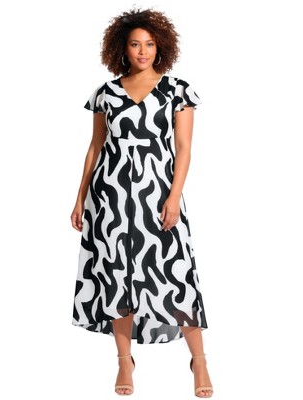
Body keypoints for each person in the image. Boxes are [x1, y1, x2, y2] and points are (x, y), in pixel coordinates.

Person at [70, 7, 213, 398]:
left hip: (158, 195)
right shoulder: (106, 93)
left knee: (176, 274)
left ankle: (199, 360)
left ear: (160, 46)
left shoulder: (177, 90)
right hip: (111, 197)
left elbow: (184, 148)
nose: (143, 51)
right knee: (116, 275)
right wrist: (80, 198)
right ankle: (124, 360)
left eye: (149, 44)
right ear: (123, 48)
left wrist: (174, 196)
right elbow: (95, 147)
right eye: (135, 44)